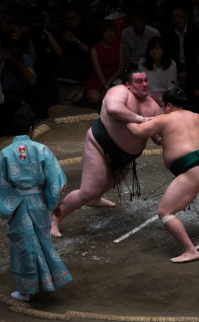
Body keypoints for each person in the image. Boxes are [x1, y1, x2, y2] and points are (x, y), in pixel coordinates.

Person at [126, 89, 199, 263]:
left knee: (165, 212)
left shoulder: (163, 119)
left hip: (191, 168)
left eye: (162, 106)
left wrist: (125, 118)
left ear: (169, 105)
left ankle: (190, 250)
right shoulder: (196, 116)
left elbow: (137, 131)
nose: (162, 109)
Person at [50, 69, 162, 238]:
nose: (145, 84)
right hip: (100, 145)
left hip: (126, 156)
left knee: (112, 180)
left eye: (146, 80)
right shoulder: (119, 92)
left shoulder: (153, 106)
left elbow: (158, 138)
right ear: (128, 85)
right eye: (139, 81)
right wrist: (141, 119)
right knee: (88, 190)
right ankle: (55, 218)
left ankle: (95, 199)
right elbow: (112, 108)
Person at [0, 123, 72, 302]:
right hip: (39, 203)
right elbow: (55, 183)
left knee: (24, 247)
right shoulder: (42, 149)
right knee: (41, 242)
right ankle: (42, 283)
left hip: (16, 204)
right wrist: (52, 203)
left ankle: (26, 290)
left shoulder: (5, 154)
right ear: (31, 129)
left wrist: (7, 205)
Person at [82, 19, 125, 105]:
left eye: (112, 31)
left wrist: (109, 82)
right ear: (101, 34)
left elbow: (121, 68)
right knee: (94, 98)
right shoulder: (95, 49)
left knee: (111, 100)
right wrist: (106, 86)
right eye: (106, 31)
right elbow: (98, 72)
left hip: (114, 78)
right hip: (97, 78)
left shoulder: (119, 46)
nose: (110, 34)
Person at [138, 36, 177, 105]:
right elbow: (141, 84)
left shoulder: (171, 64)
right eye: (152, 49)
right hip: (147, 97)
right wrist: (150, 99)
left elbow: (172, 86)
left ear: (163, 50)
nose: (154, 52)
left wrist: (162, 100)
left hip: (165, 98)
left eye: (157, 49)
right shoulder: (142, 63)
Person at [120, 4, 161, 71]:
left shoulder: (154, 33)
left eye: (138, 19)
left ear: (144, 19)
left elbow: (158, 54)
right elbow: (126, 55)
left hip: (150, 66)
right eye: (134, 19)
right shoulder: (125, 34)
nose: (136, 22)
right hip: (132, 66)